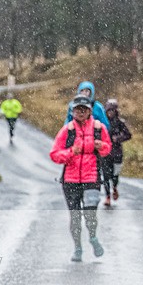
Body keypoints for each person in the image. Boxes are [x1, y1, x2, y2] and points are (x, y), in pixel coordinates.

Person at [50, 95, 112, 262]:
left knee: (90, 214)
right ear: (73, 111)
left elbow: (107, 149)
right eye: (77, 109)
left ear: (90, 111)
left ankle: (93, 237)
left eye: (84, 109)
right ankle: (77, 248)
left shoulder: (99, 128)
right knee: (75, 217)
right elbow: (54, 154)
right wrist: (71, 152)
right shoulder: (67, 130)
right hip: (70, 180)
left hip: (91, 177)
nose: (80, 112)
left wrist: (102, 146)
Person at [101, 99, 132, 206]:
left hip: (117, 153)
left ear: (115, 111)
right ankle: (107, 197)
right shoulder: (102, 122)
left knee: (115, 175)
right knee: (105, 175)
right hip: (105, 153)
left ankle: (114, 187)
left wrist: (118, 138)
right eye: (108, 110)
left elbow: (128, 135)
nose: (110, 113)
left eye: (112, 110)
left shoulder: (120, 122)